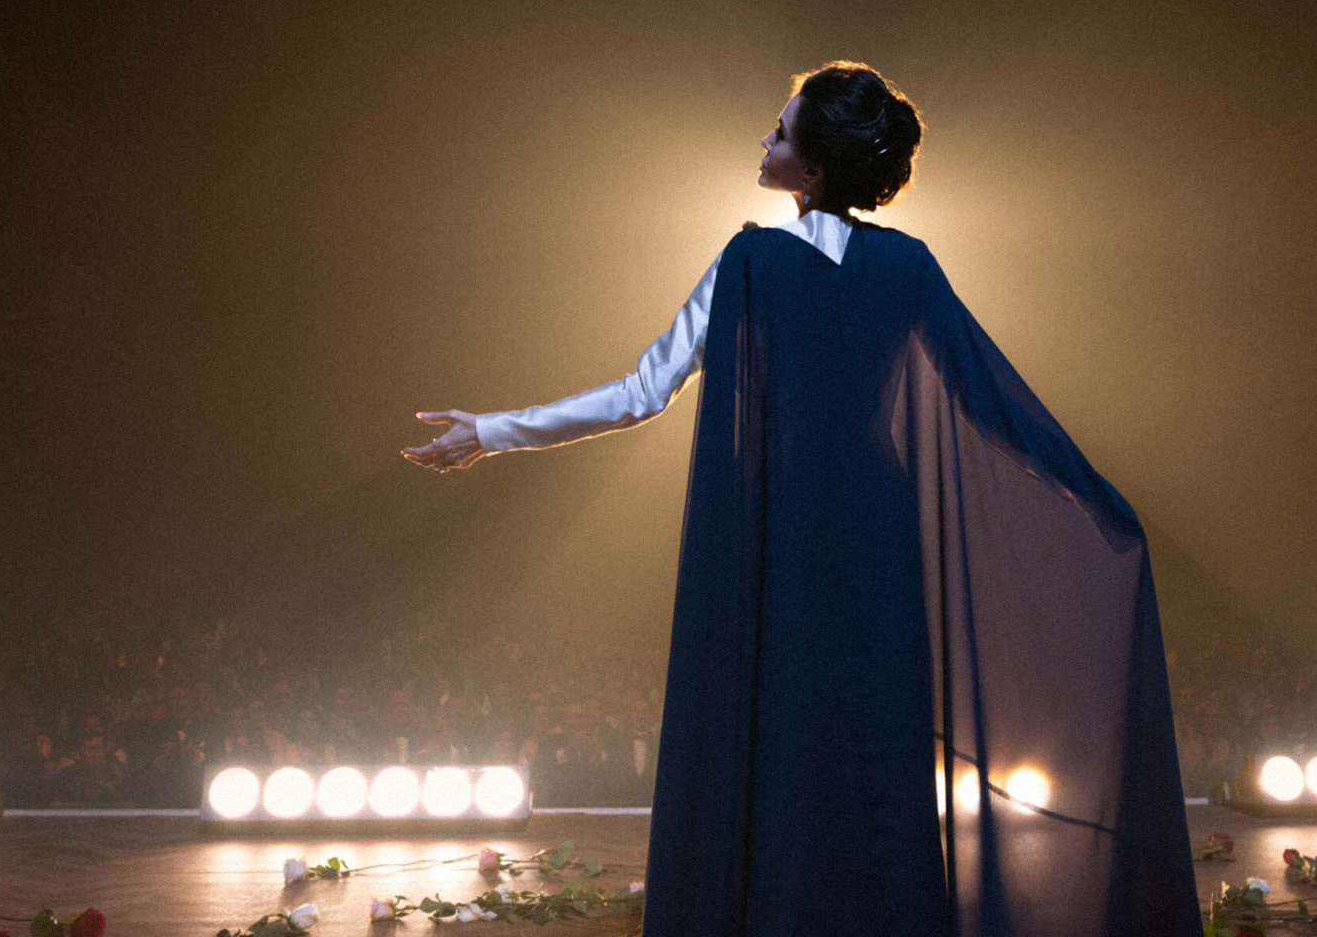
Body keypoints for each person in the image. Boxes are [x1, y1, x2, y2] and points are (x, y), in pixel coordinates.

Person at [403, 61, 1201, 936]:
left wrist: (493, 430)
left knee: (784, 734)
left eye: (779, 131)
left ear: (812, 168)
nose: (764, 139)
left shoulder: (752, 261)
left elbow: (640, 393)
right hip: (876, 526)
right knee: (873, 739)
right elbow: (991, 400)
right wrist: (1093, 498)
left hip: (781, 527)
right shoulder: (906, 264)